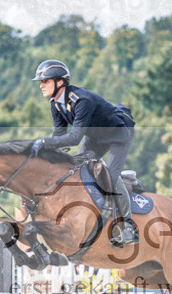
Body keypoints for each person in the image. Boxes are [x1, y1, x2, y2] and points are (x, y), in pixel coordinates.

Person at [29, 59, 140, 247]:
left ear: (60, 82)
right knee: (77, 170)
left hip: (118, 134)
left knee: (110, 178)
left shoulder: (81, 101)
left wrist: (44, 142)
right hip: (95, 136)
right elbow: (59, 135)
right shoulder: (55, 104)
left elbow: (73, 139)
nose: (41, 85)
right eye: (41, 81)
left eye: (45, 81)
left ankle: (129, 228)